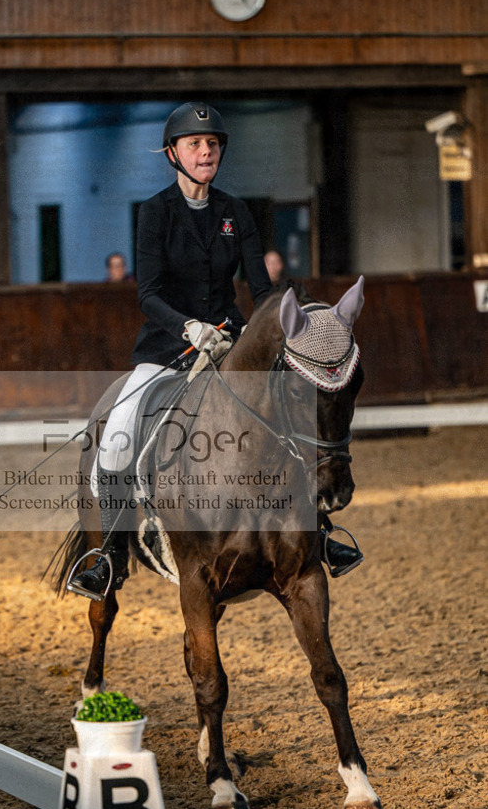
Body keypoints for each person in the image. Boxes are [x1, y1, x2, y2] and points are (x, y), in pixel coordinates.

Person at [68, 102, 361, 600]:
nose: (206, 152)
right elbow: (148, 294)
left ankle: (322, 535)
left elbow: (262, 290)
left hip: (230, 342)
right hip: (167, 348)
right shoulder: (155, 213)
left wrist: (274, 332)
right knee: (116, 436)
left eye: (212, 144)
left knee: (290, 419)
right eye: (195, 145)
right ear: (173, 154)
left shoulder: (235, 211)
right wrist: (188, 328)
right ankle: (106, 555)